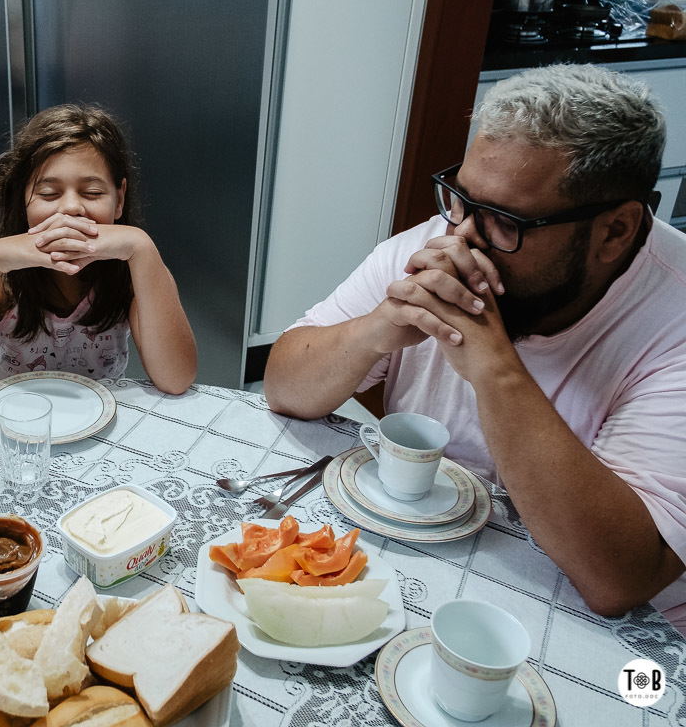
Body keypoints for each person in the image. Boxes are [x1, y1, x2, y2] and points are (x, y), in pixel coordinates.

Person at [264, 64, 686, 631]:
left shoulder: (672, 320)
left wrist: (497, 371)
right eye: (460, 199)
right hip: (426, 551)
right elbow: (284, 388)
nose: (461, 237)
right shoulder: (445, 240)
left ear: (615, 231)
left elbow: (618, 579)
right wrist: (377, 329)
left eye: (504, 221)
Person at [0, 104, 196, 406]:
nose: (70, 208)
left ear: (119, 198)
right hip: (9, 431)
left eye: (93, 193)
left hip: (98, 430)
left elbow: (176, 379)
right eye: (48, 194)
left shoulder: (133, 273)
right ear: (23, 200)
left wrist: (142, 247)